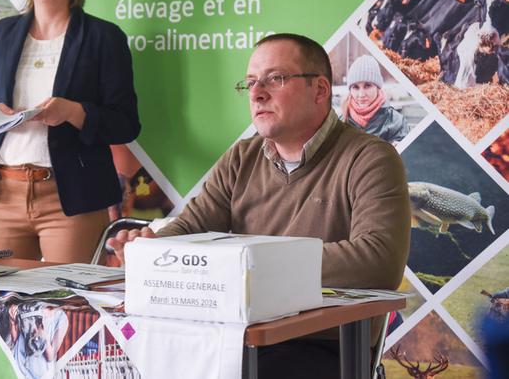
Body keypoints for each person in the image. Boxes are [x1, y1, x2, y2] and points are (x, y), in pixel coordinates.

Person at [108, 33, 410, 379]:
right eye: (250, 82)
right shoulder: (242, 156)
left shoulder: (370, 158)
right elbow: (190, 228)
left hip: (322, 345)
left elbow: (377, 262)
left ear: (321, 90)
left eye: (276, 78)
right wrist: (152, 250)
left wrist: (250, 269)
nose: (257, 93)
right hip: (234, 338)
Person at [0, 0, 140, 263]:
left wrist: (75, 112)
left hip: (71, 198)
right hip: (3, 194)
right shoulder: (2, 34)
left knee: (67, 305)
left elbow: (126, 123)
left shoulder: (104, 38)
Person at [340, 54, 409, 144]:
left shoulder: (396, 122)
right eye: (355, 87)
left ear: (377, 87)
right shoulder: (340, 122)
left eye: (367, 86)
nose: (361, 94)